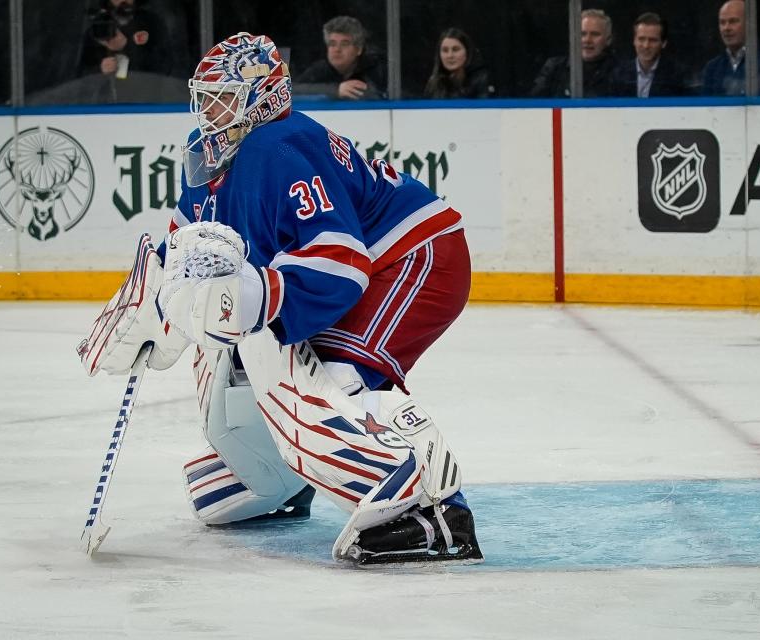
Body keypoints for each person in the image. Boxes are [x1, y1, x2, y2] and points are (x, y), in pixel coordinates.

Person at [77, 32, 481, 565]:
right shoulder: (214, 159)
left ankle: (432, 512)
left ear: (259, 95)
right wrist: (154, 309)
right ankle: (273, 474)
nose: (207, 109)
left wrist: (259, 293)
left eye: (220, 96)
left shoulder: (278, 146)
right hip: (376, 264)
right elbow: (186, 262)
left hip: (416, 256)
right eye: (205, 96)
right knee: (226, 337)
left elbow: (340, 264)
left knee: (334, 375)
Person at [530, 9, 625, 97]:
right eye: (582, 34)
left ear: (608, 40)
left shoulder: (621, 71)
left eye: (595, 34)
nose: (587, 40)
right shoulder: (555, 68)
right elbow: (533, 106)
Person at [81, 0, 184, 80]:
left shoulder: (151, 23)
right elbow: (79, 75)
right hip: (104, 101)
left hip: (145, 97)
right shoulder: (98, 26)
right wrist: (100, 70)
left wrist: (127, 47)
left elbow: (165, 66)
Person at [293, 15, 386, 100]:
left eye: (344, 44)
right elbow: (291, 89)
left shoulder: (375, 68)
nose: (337, 49)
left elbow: (381, 96)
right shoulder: (321, 68)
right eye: (332, 44)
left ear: (359, 49)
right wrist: (335, 90)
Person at [701, 0, 760, 96]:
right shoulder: (712, 68)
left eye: (733, 21)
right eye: (722, 22)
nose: (726, 28)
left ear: (749, 24)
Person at [623, 12, 689, 97]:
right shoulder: (617, 74)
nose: (646, 45)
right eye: (641, 39)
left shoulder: (678, 76)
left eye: (653, 40)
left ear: (664, 43)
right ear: (634, 41)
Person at [424, 28, 495, 99]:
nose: (450, 55)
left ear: (467, 52)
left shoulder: (482, 79)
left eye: (455, 49)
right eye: (445, 50)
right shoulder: (434, 83)